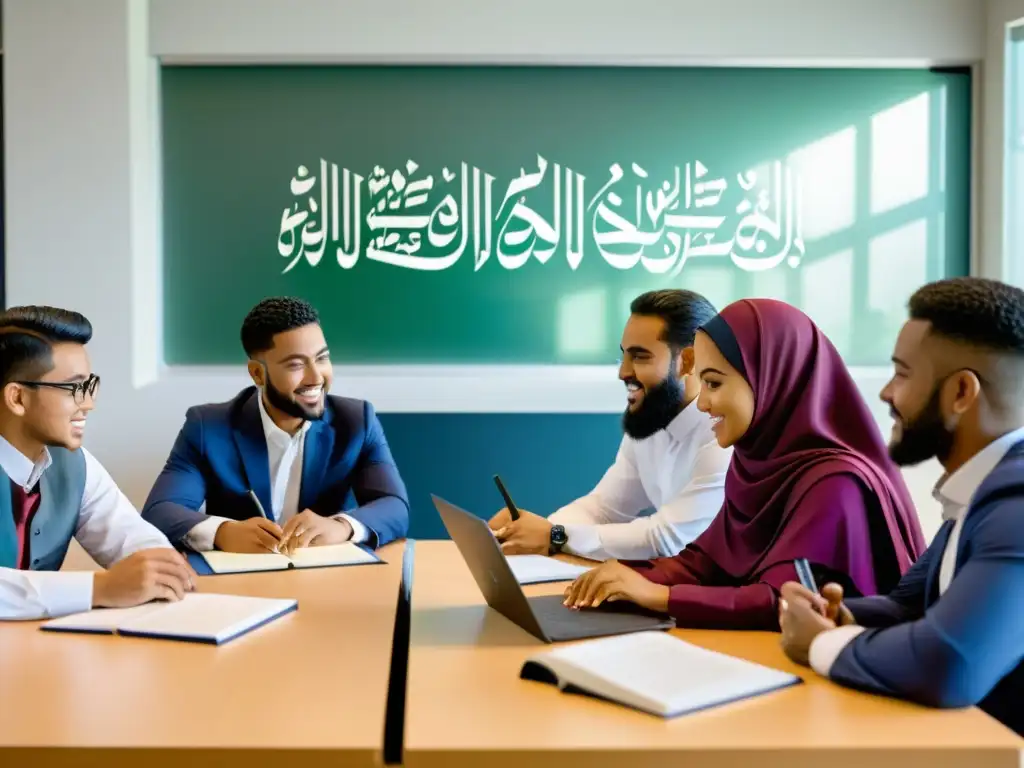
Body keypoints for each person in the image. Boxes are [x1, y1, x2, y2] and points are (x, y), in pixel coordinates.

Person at [563, 298, 926, 629]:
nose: (702, 404)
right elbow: (705, 562)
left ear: (771, 377)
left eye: (714, 384)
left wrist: (659, 596)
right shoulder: (756, 461)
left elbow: (784, 600)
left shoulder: (836, 483)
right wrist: (626, 574)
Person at [779, 277, 1024, 736]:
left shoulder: (1016, 502)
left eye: (903, 373)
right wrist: (843, 614)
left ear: (961, 393)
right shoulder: (981, 489)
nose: (887, 393)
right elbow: (910, 608)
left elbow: (950, 662)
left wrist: (823, 643)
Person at [142, 297, 409, 553]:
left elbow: (394, 506)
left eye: (322, 358)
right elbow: (160, 511)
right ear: (258, 373)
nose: (316, 377)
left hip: (327, 578)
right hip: (242, 585)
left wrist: (342, 527)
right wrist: (224, 532)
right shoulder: (207, 428)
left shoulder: (357, 421)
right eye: (296, 364)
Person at [488, 289, 731, 561]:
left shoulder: (723, 435)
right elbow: (603, 509)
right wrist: (534, 532)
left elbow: (667, 538)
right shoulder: (650, 419)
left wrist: (555, 536)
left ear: (688, 362)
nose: (623, 372)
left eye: (639, 357)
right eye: (624, 356)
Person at [0, 306, 194, 620]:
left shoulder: (74, 465)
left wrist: (159, 567)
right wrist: (98, 588)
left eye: (89, 386)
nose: (88, 404)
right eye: (74, 388)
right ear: (18, 398)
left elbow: (128, 534)